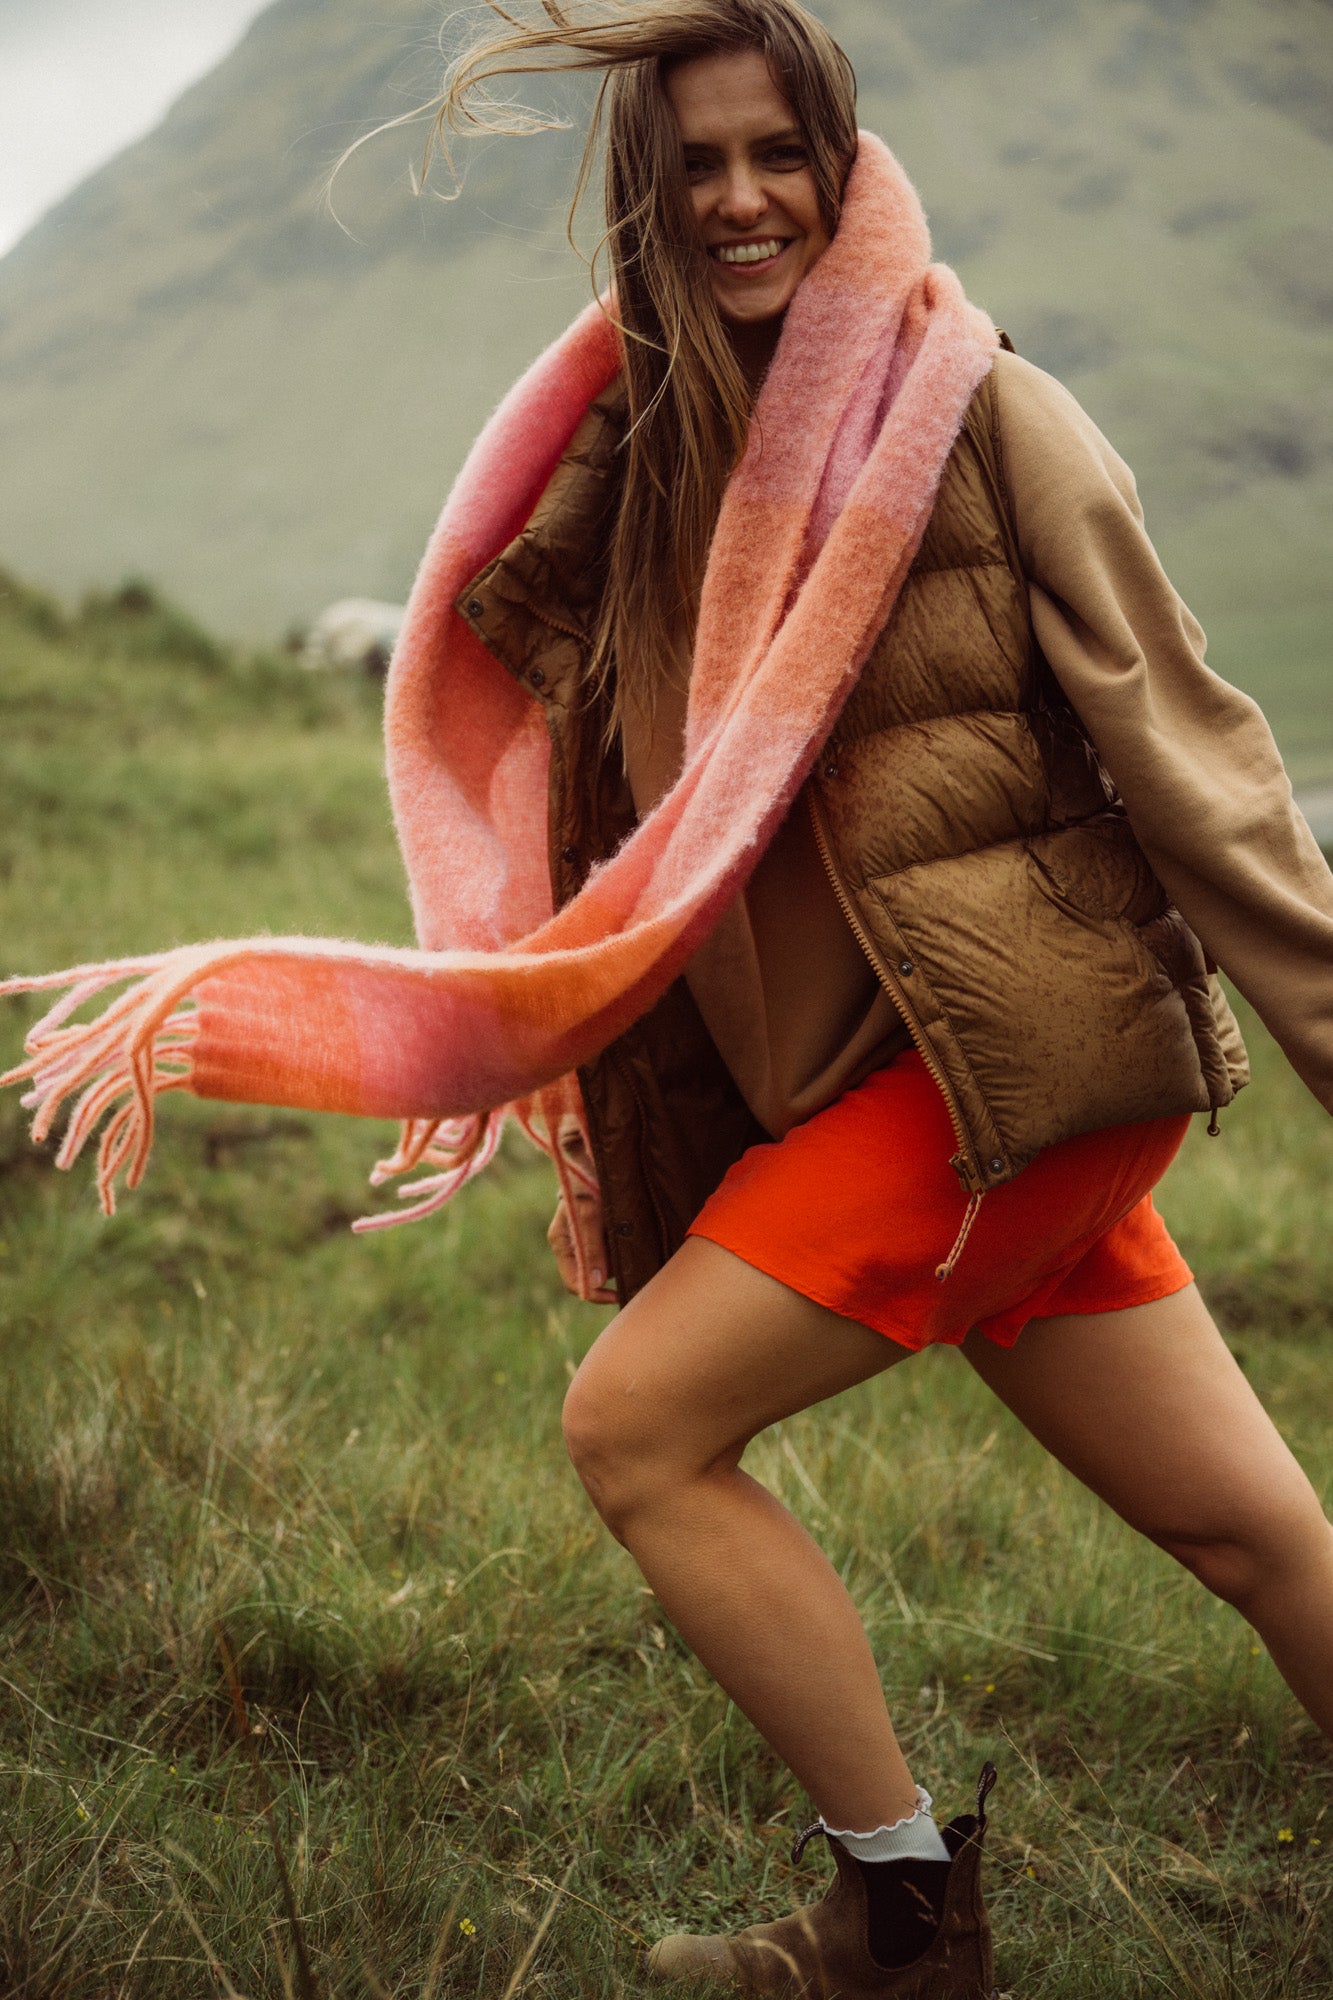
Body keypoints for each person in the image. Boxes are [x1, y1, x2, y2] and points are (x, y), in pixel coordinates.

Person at [4, 4, 1332, 1996]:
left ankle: (895, 1925)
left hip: (1005, 1074)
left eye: (773, 152)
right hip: (901, 1092)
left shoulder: (982, 412)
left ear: (838, 159)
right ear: (643, 195)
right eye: (693, 160)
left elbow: (1203, 765)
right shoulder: (629, 454)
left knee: (635, 1429)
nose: (738, 195)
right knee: (1253, 1538)